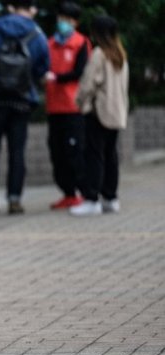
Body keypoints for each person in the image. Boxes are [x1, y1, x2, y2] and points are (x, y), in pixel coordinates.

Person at [0, 0, 49, 214]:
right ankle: (14, 199)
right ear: (33, 9)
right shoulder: (37, 33)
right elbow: (43, 67)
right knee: (17, 151)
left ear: (10, 7)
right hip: (22, 100)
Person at [70, 15, 128, 216]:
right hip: (117, 112)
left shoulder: (99, 54)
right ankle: (111, 198)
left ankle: (92, 198)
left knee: (94, 155)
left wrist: (79, 101)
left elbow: (88, 84)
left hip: (99, 112)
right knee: (110, 155)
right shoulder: (120, 54)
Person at [45, 1, 90, 210]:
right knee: (57, 152)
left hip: (73, 108)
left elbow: (80, 72)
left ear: (76, 22)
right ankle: (68, 193)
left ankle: (83, 193)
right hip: (54, 107)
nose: (63, 23)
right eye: (61, 18)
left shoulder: (81, 43)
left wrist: (56, 77)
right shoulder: (50, 43)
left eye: (68, 19)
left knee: (75, 152)